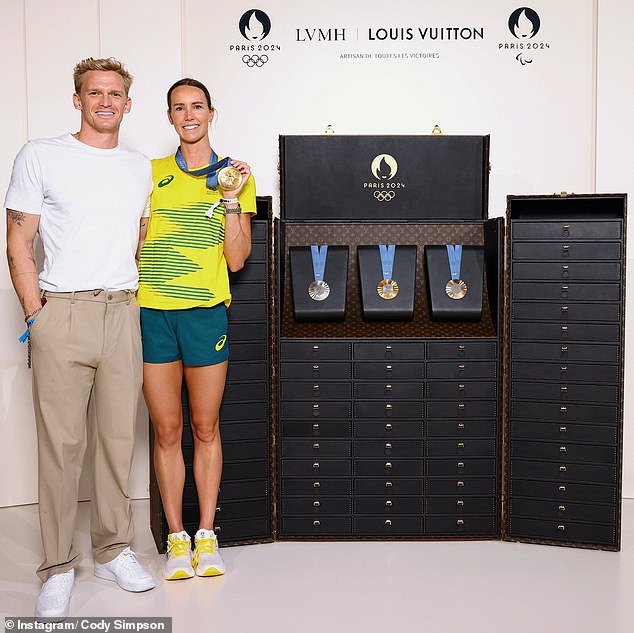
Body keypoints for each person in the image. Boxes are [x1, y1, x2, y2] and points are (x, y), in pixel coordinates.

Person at [4, 57, 155, 620]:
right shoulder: (41, 155)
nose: (106, 102)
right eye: (95, 93)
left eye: (115, 94)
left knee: (117, 444)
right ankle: (58, 566)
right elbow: (18, 242)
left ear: (127, 103)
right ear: (78, 99)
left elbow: (136, 237)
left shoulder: (138, 167)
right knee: (61, 449)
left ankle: (114, 549)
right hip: (61, 311)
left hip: (121, 312)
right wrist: (37, 315)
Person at [137, 78, 255, 580]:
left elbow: (236, 258)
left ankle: (206, 535)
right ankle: (176, 537)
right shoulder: (148, 174)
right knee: (166, 431)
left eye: (197, 107)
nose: (189, 115)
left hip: (206, 313)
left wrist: (229, 198)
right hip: (153, 313)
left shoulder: (236, 175)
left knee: (205, 428)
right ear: (169, 117)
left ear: (212, 113)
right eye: (179, 108)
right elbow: (137, 245)